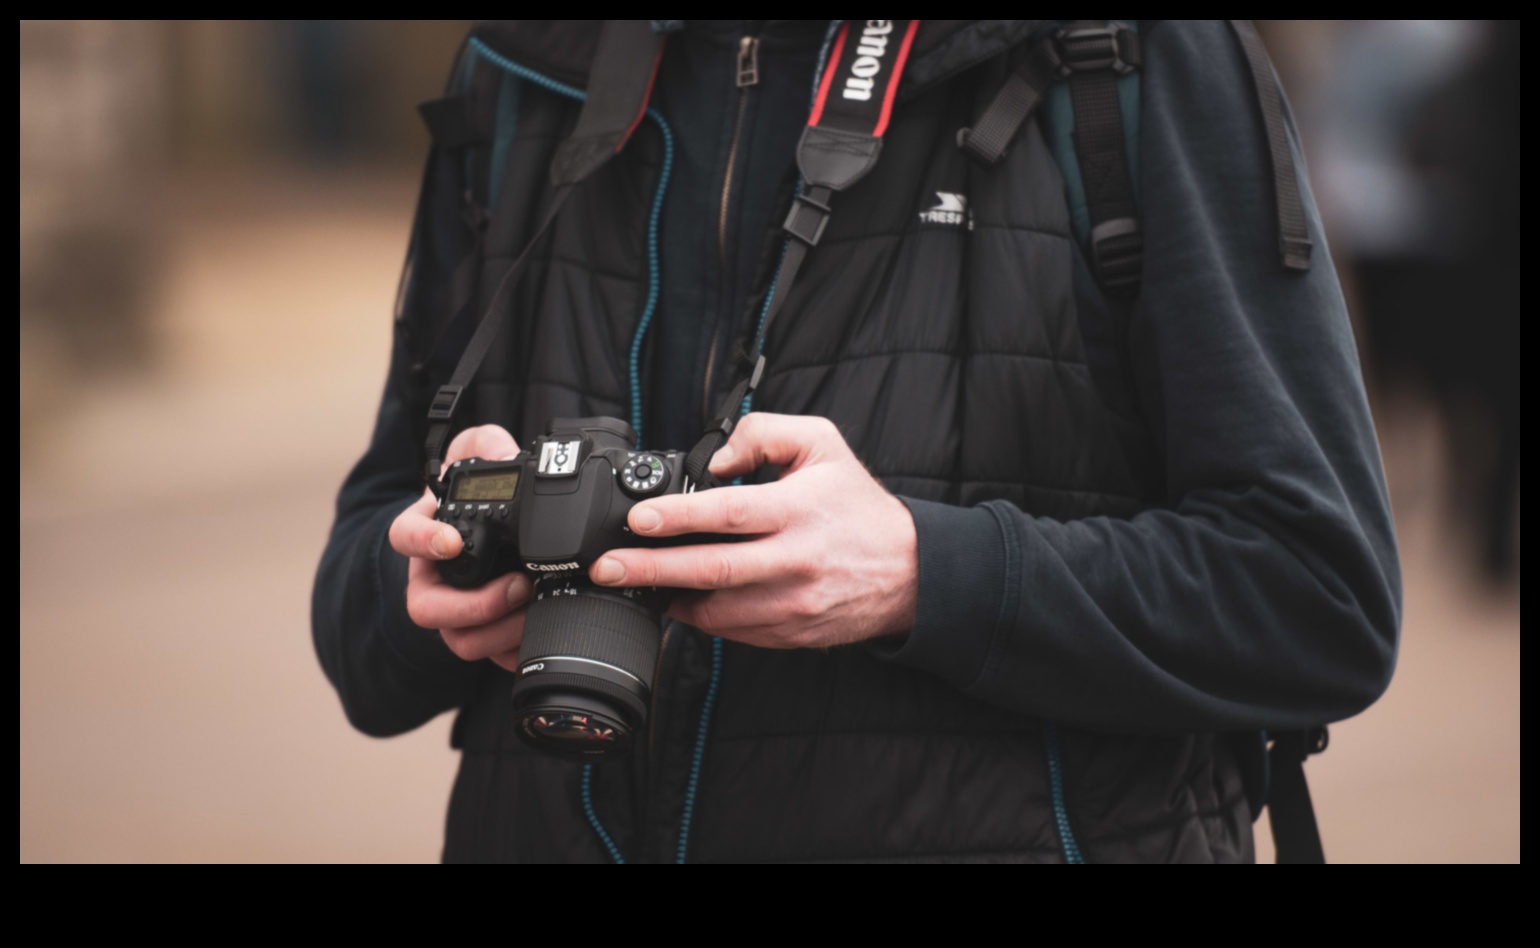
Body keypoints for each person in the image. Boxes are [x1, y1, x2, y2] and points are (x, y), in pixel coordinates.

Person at [313, 20, 1400, 863]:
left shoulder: (1128, 61)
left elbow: (1320, 595)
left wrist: (924, 574)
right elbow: (359, 642)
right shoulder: (521, 64)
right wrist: (431, 581)